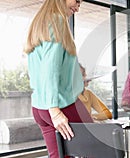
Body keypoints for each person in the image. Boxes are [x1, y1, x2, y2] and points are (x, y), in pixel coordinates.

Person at [24, 0, 93, 157]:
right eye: (76, 1)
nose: (77, 7)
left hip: (40, 107)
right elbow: (50, 69)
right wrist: (55, 111)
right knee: (101, 148)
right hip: (61, 104)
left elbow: (42, 69)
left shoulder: (39, 23)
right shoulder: (57, 21)